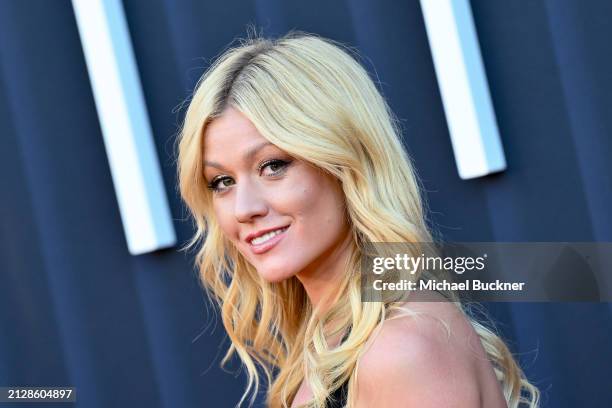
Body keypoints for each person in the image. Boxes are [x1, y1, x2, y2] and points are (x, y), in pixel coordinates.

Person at [177, 32, 539, 407]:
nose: (243, 208)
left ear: (345, 162)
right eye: (222, 182)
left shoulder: (401, 349)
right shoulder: (339, 346)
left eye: (273, 166)